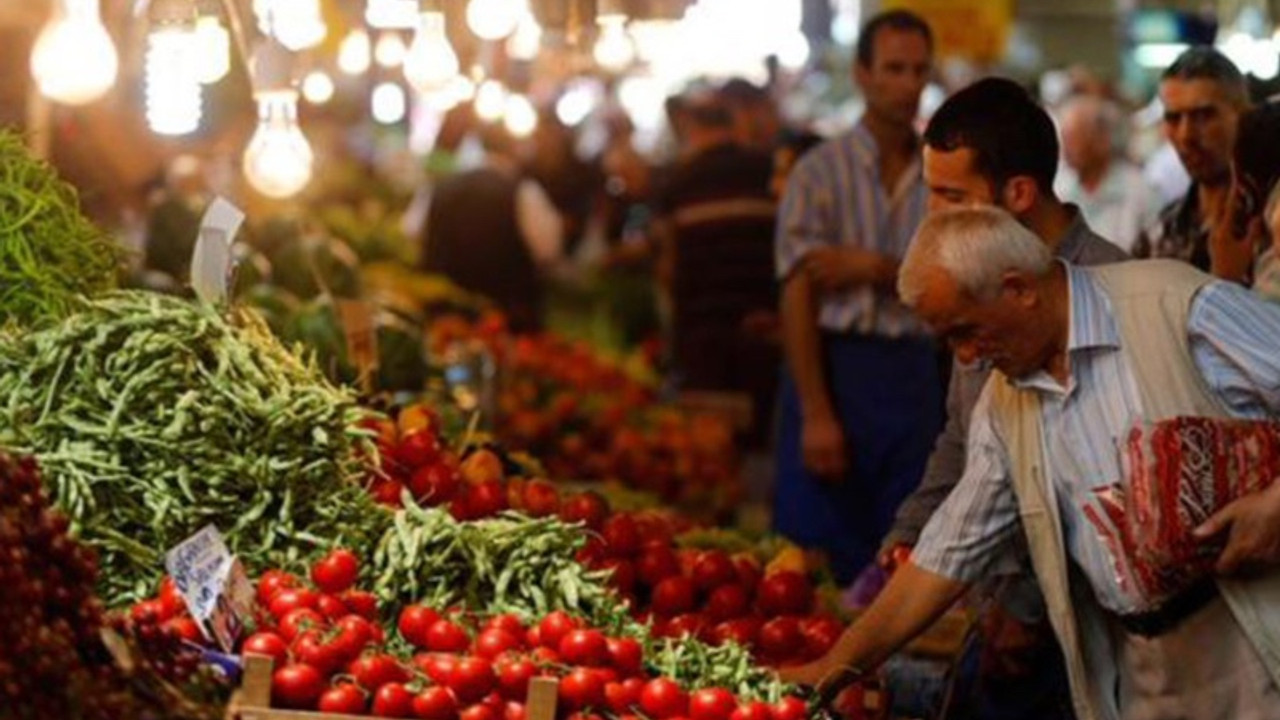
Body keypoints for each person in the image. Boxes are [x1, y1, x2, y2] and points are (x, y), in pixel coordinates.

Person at [783, 206, 1280, 720]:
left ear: (1019, 288)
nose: (968, 357)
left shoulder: (1174, 306)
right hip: (1141, 670)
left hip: (1252, 642)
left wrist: (1275, 506)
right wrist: (835, 667)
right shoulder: (1005, 403)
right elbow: (947, 553)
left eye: (965, 331)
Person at [875, 76, 1128, 720]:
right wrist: (913, 527)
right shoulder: (970, 275)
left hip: (1088, 637)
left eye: (951, 196)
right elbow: (962, 437)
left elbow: (1101, 486)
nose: (933, 215)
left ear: (1018, 193)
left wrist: (1025, 605)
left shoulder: (1109, 291)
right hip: (996, 611)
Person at [773, 9, 940, 585]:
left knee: (901, 554)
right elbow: (797, 294)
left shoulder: (940, 177)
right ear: (863, 74)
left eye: (918, 70)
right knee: (816, 563)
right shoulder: (818, 172)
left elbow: (950, 288)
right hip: (833, 368)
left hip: (914, 376)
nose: (907, 84)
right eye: (893, 69)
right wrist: (817, 412)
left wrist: (871, 268)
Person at [650, 92, 778, 447]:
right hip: (763, 334)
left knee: (707, 458)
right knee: (756, 448)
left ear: (691, 127)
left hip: (701, 339)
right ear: (734, 123)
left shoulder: (677, 181)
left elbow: (667, 268)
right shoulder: (766, 170)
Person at [420, 123, 564, 331]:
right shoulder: (525, 193)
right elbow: (549, 252)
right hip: (506, 322)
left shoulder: (443, 185)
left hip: (444, 317)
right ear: (515, 148)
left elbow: (414, 231)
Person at [1134, 47, 1250, 278]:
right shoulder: (1160, 233)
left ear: (1242, 115)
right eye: (1173, 118)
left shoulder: (1268, 224)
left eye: (1203, 116)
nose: (1186, 135)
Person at [1056, 94, 1162, 253]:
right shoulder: (1060, 189)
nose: (1066, 150)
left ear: (1102, 141)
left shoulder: (1140, 192)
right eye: (1064, 139)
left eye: (1074, 139)